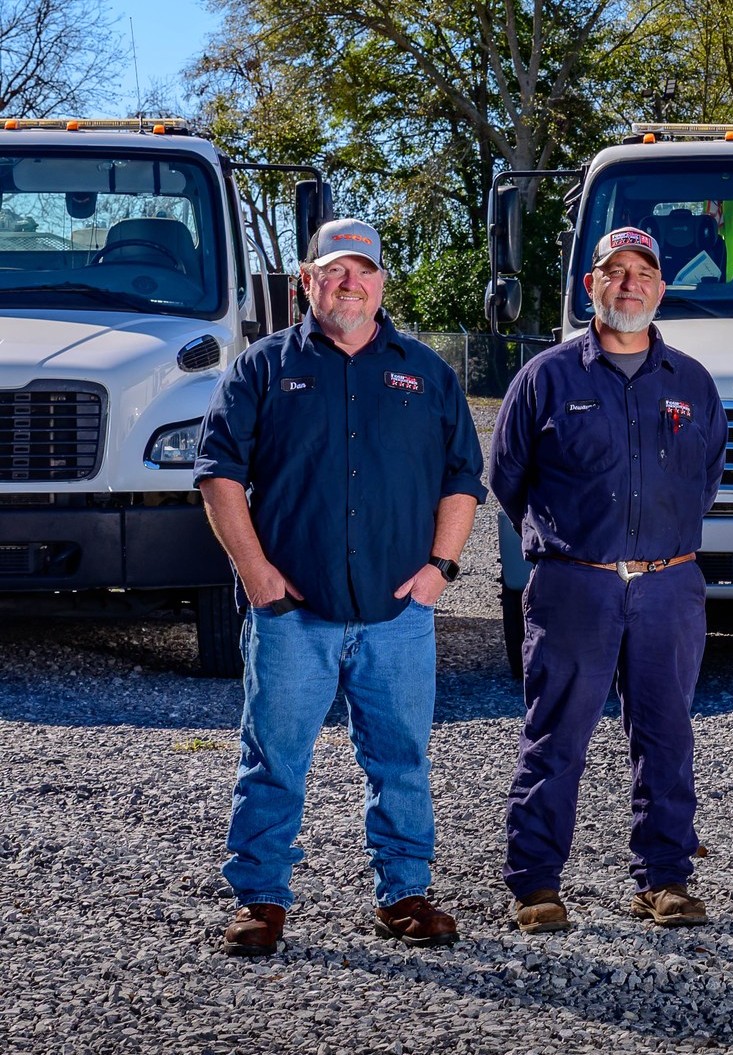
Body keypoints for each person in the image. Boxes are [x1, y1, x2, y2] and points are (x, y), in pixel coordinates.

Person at [195, 218, 485, 955]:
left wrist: (438, 572)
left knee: (401, 759)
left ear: (383, 281)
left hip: (397, 616)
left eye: (362, 269)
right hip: (293, 615)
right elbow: (219, 475)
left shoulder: (426, 372)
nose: (348, 282)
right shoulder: (262, 368)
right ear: (307, 282)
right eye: (333, 270)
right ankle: (260, 897)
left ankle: (405, 893)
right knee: (273, 757)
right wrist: (258, 578)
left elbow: (461, 479)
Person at [491, 227, 726, 934]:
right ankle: (535, 884)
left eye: (642, 273)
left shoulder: (690, 381)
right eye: (613, 272)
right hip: (574, 585)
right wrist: (574, 545)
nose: (629, 284)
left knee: (666, 734)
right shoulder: (547, 377)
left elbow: (705, 477)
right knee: (556, 734)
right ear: (590, 285)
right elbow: (508, 477)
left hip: (668, 586)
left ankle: (664, 878)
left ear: (661, 287)